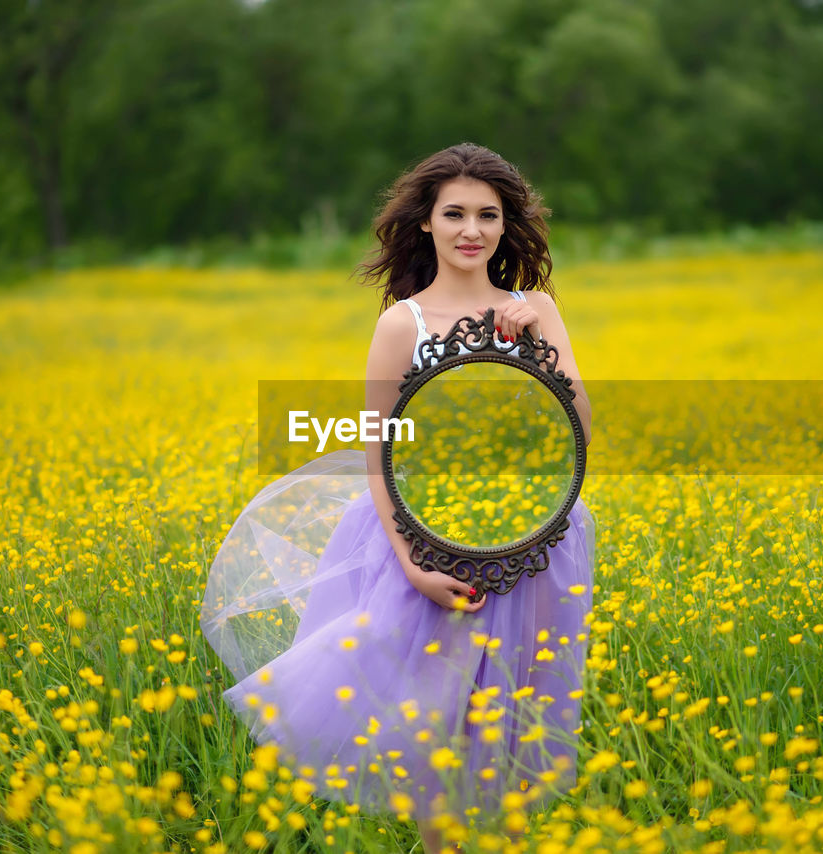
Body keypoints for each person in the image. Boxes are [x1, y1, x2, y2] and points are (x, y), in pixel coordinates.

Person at [200, 143, 594, 853]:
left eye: (487, 215)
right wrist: (412, 563)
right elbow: (378, 455)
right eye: (454, 214)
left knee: (514, 709)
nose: (471, 229)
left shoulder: (533, 310)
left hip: (530, 533)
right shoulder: (401, 324)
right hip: (423, 539)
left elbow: (580, 427)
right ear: (426, 225)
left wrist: (541, 344)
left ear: (508, 227)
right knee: (429, 714)